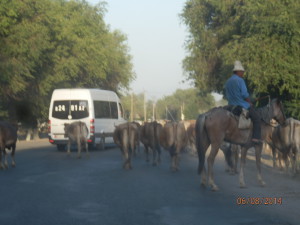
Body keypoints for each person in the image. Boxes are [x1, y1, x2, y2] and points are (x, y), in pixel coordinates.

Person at [224, 60, 262, 143]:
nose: (243, 73)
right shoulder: (240, 80)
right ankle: (255, 138)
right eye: (242, 71)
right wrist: (250, 102)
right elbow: (245, 95)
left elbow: (227, 95)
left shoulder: (228, 82)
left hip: (230, 106)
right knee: (257, 118)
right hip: (240, 105)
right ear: (238, 71)